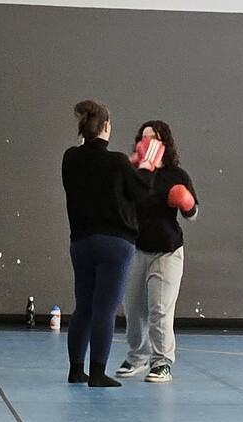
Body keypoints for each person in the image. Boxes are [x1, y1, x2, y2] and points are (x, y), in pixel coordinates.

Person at [61, 100, 149, 388]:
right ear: (107, 126)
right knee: (105, 309)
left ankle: (76, 369)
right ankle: (98, 371)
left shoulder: (70, 158)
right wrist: (146, 166)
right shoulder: (118, 162)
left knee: (84, 307)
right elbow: (140, 193)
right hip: (114, 243)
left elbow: (90, 165)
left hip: (81, 242)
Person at [115, 120, 197, 384]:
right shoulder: (132, 173)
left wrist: (185, 202)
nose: (149, 142)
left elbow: (193, 214)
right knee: (133, 308)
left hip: (167, 251)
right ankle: (137, 356)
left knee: (159, 308)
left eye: (155, 138)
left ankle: (162, 362)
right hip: (136, 248)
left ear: (165, 143)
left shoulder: (177, 175)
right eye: (144, 137)